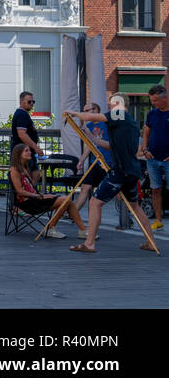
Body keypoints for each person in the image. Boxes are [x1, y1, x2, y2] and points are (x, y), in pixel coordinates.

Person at [67, 98, 158, 254]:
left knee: (95, 202)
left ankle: (89, 243)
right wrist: (93, 138)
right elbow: (111, 146)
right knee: (135, 207)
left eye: (112, 102)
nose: (109, 105)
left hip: (120, 170)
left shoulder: (118, 115)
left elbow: (90, 117)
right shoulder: (131, 122)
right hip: (132, 170)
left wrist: (73, 113)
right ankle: (151, 242)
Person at [7, 144, 84, 239]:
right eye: (26, 151)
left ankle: (83, 230)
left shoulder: (25, 168)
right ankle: (50, 228)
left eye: (29, 150)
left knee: (67, 200)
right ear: (19, 154)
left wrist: (43, 195)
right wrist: (40, 197)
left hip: (34, 199)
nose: (30, 152)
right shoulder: (14, 170)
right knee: (65, 200)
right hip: (27, 203)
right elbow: (19, 191)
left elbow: (30, 189)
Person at [140, 84, 169, 230]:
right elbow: (146, 132)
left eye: (156, 101)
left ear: (165, 98)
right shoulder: (151, 114)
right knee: (155, 189)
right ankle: (158, 221)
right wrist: (145, 150)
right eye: (151, 100)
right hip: (152, 159)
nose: (153, 103)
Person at [75, 102, 113, 213]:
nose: (85, 114)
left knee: (117, 191)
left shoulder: (106, 122)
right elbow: (89, 145)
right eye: (84, 111)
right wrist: (81, 160)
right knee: (85, 187)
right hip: (95, 162)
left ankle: (126, 217)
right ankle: (74, 213)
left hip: (109, 162)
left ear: (95, 110)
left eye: (87, 111)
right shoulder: (89, 126)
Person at [11, 91, 43, 178]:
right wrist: (36, 147)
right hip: (22, 152)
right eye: (29, 101)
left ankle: (31, 191)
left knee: (35, 174)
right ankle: (25, 191)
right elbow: (22, 134)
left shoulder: (24, 114)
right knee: (25, 176)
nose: (32, 103)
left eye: (33, 102)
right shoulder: (21, 114)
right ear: (21, 101)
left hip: (28, 151)